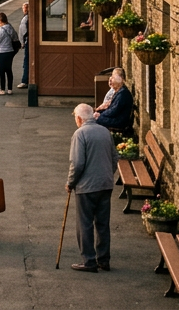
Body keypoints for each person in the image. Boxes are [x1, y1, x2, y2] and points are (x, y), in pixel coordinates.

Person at [67, 102, 118, 272]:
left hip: (87, 187)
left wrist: (70, 182)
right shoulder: (105, 131)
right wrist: (108, 175)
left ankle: (89, 261)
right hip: (105, 184)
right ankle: (103, 259)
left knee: (85, 224)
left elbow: (77, 163)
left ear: (80, 118)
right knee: (103, 224)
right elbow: (114, 158)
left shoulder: (80, 134)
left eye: (75, 117)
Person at [0, 12, 20, 95]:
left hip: (2, 52)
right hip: (10, 51)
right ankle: (10, 89)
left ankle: (2, 89)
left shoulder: (0, 29)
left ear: (0, 20)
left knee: (2, 71)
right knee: (9, 70)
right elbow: (15, 37)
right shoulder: (10, 27)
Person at [18, 2, 30, 86]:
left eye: (26, 8)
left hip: (27, 42)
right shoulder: (28, 18)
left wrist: (22, 42)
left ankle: (25, 80)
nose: (25, 9)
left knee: (26, 61)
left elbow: (23, 31)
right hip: (28, 41)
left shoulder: (25, 19)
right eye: (24, 8)